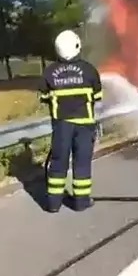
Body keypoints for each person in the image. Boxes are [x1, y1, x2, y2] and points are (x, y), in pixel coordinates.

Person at [39, 29, 103, 213]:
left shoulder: (49, 72)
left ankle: (53, 204)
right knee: (81, 163)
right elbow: (97, 96)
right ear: (77, 46)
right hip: (84, 125)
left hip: (61, 126)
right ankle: (81, 202)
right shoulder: (89, 70)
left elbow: (44, 98)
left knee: (58, 163)